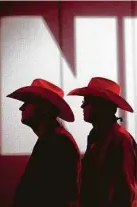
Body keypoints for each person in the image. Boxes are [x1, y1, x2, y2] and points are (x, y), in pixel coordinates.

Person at [7, 79, 81, 207]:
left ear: (45, 109)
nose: (21, 107)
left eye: (28, 102)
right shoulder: (52, 139)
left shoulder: (57, 142)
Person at [68, 77, 137, 207]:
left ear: (101, 104)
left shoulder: (120, 139)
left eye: (86, 100)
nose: (82, 105)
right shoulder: (96, 136)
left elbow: (125, 193)